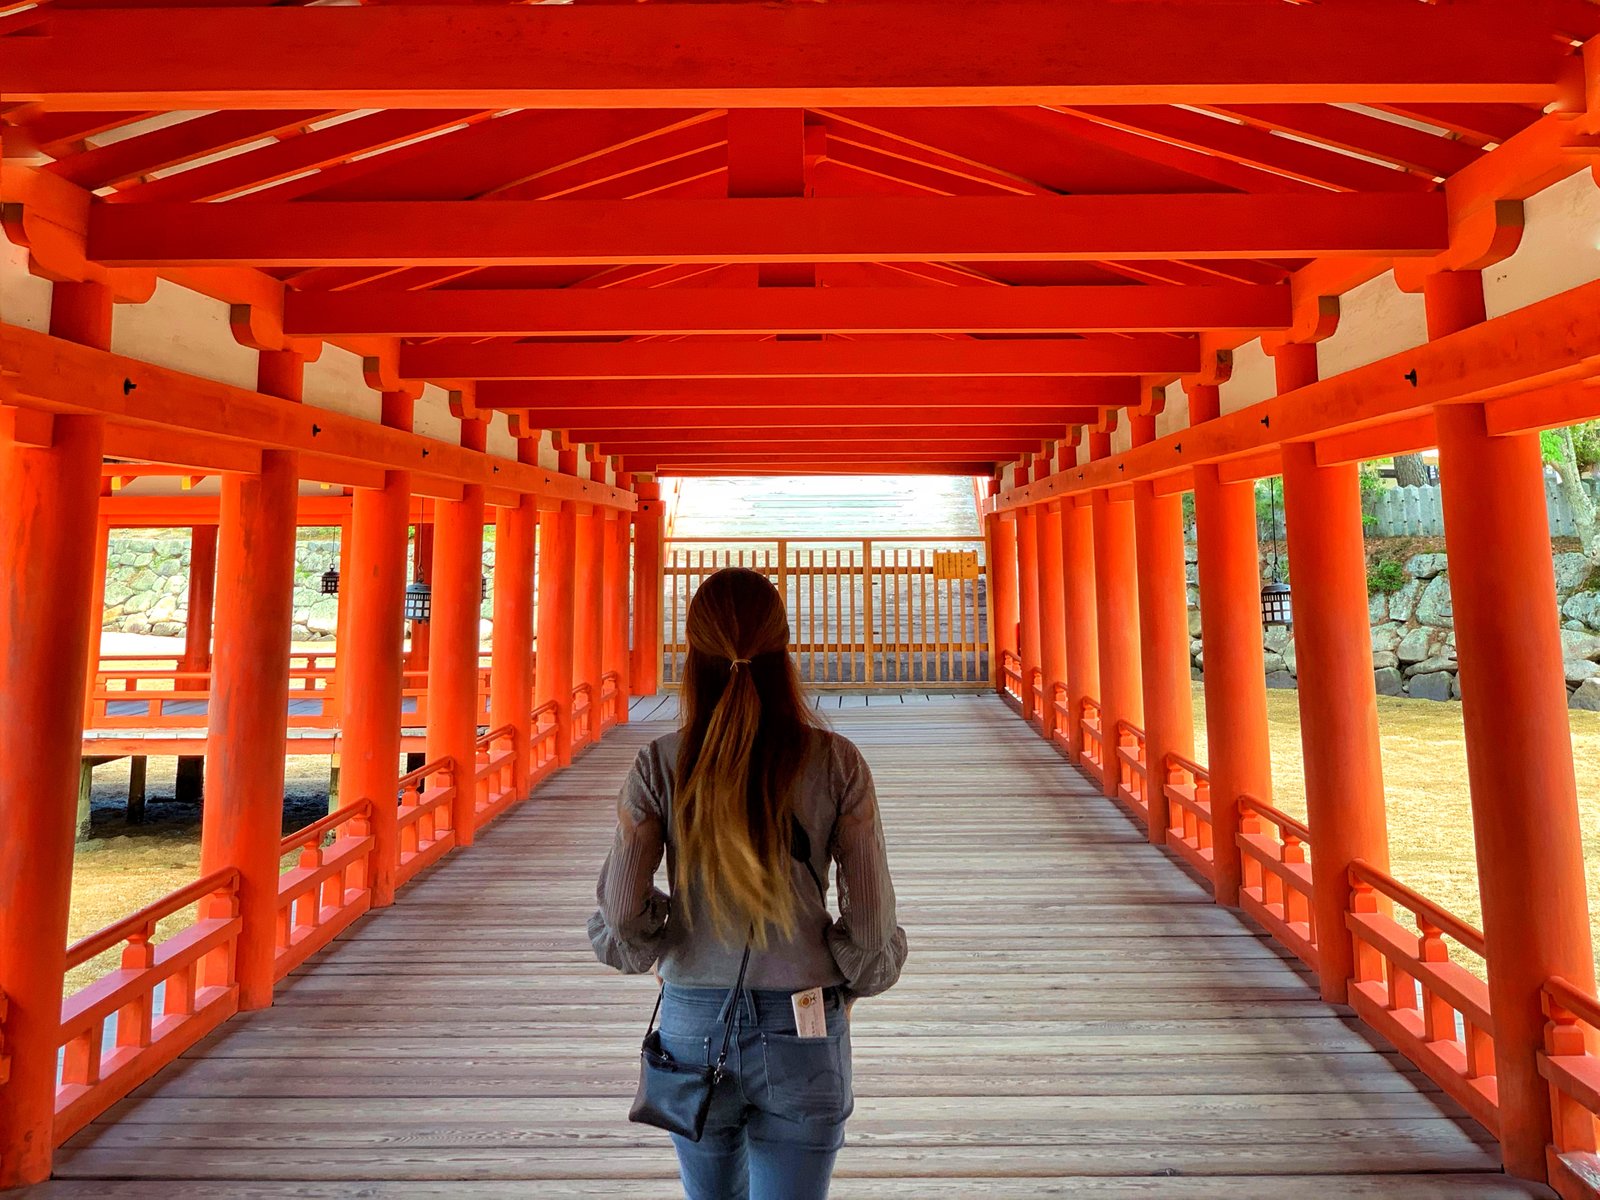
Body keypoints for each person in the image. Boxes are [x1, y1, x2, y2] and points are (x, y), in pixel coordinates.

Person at [589, 566, 908, 1200]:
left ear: (692, 652)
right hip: (804, 1017)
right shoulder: (836, 761)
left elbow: (622, 915)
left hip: (690, 1020)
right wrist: (847, 965)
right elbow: (870, 928)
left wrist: (666, 926)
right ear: (785, 646)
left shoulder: (660, 763)